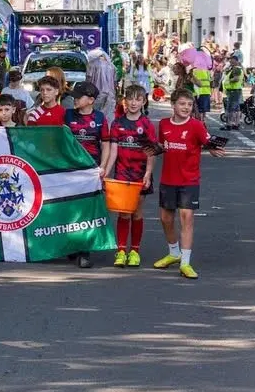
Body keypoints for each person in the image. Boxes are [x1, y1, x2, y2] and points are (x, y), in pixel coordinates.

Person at [149, 89, 226, 279]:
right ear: (173, 105)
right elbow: (163, 146)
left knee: (186, 218)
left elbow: (208, 142)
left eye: (189, 105)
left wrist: (213, 149)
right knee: (166, 219)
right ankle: (174, 253)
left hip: (189, 180)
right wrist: (153, 149)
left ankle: (185, 262)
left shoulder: (196, 126)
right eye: (182, 104)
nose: (186, 108)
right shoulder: (164, 124)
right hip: (168, 179)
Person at [104, 85, 156, 267]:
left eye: (138, 99)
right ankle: (120, 252)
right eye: (130, 99)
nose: (134, 103)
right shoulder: (117, 124)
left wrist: (148, 174)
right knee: (124, 213)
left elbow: (151, 153)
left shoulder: (147, 125)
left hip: (140, 175)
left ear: (143, 102)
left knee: (137, 213)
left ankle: (134, 251)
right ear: (125, 101)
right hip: (122, 175)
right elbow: (113, 152)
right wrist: (106, 172)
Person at [63, 81, 111, 269]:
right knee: (70, 209)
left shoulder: (100, 118)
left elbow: (106, 144)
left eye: (78, 96)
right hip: (70, 170)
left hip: (91, 171)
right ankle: (72, 245)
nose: (74, 99)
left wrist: (103, 167)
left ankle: (85, 251)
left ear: (91, 100)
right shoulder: (67, 115)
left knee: (86, 211)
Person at [86, 48, 116, 117]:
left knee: (94, 114)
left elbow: (88, 78)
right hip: (110, 94)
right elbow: (115, 81)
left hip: (96, 93)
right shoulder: (111, 65)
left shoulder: (91, 64)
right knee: (107, 116)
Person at [221, 55, 244, 130]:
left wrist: (228, 81)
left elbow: (236, 79)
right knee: (236, 109)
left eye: (232, 61)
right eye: (230, 61)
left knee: (230, 108)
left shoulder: (236, 69)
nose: (231, 62)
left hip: (233, 91)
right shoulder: (236, 68)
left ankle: (229, 125)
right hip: (235, 90)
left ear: (236, 61)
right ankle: (236, 124)